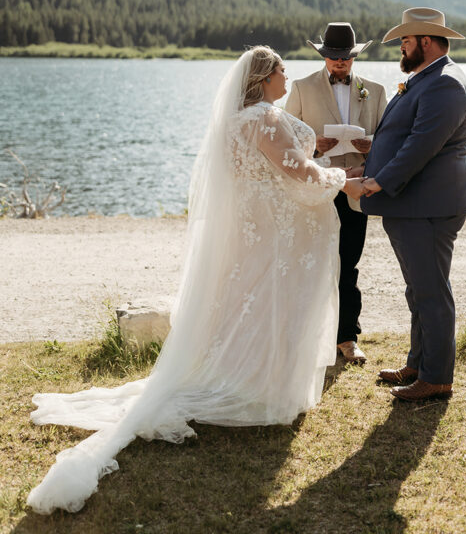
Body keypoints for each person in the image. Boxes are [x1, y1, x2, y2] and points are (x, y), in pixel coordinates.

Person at [26, 46, 366, 515]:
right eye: (282, 71)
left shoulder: (234, 122)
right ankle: (261, 388)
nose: (287, 78)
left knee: (246, 305)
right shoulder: (264, 117)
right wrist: (341, 179)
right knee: (269, 302)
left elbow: (256, 172)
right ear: (264, 78)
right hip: (274, 232)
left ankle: (245, 375)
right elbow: (293, 168)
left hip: (253, 229)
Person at [357, 7, 466, 403]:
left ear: (426, 42)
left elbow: (422, 146)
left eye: (406, 40)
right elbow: (410, 134)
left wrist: (379, 179)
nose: (402, 47)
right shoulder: (428, 78)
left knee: (431, 290)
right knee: (417, 289)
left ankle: (436, 378)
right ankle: (418, 362)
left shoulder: (445, 84)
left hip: (428, 204)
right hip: (413, 203)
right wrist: (376, 148)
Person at [286, 22, 387, 364]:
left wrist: (370, 145)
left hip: (356, 188)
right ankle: (305, 335)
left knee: (349, 264)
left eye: (344, 57)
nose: (339, 63)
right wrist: (314, 145)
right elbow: (284, 143)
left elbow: (390, 142)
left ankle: (347, 338)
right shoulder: (300, 88)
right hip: (315, 189)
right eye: (333, 57)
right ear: (324, 56)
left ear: (354, 57)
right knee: (310, 262)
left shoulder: (375, 90)